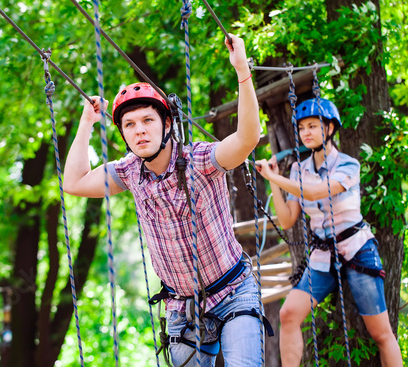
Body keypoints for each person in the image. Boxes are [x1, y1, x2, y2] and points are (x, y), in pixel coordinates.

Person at [63, 34, 267, 366]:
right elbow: (74, 183)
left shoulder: (200, 159)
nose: (139, 130)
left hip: (233, 293)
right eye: (129, 125)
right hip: (182, 308)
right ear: (124, 135)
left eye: (147, 121)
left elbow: (247, 139)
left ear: (167, 123)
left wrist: (242, 70)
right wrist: (87, 123)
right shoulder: (129, 172)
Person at [255, 98, 403, 367]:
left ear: (330, 129)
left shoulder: (348, 165)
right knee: (288, 314)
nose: (306, 133)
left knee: (380, 333)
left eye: (313, 126)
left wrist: (272, 178)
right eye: (301, 128)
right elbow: (287, 220)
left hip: (357, 249)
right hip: (323, 255)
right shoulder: (298, 169)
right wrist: (275, 181)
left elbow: (314, 191)